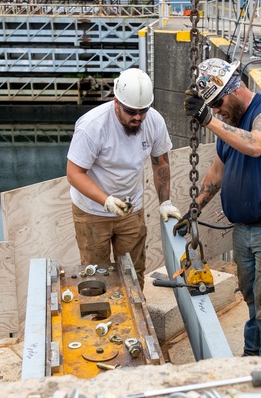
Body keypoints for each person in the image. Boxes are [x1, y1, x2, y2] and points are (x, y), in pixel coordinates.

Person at [183, 58, 261, 358]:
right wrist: (194, 210)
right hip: (245, 230)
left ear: (234, 90)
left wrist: (210, 122)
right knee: (252, 298)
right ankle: (252, 356)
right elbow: (216, 172)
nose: (217, 110)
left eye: (218, 103)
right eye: (211, 107)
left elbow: (256, 145)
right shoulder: (231, 126)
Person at [66, 67, 182, 276]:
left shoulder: (154, 121)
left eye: (143, 111)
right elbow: (74, 173)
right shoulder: (93, 126)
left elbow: (161, 164)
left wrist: (165, 202)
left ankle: (136, 308)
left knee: (133, 272)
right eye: (131, 111)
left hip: (130, 209)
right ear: (116, 102)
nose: (137, 117)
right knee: (97, 275)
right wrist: (106, 201)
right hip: (92, 212)